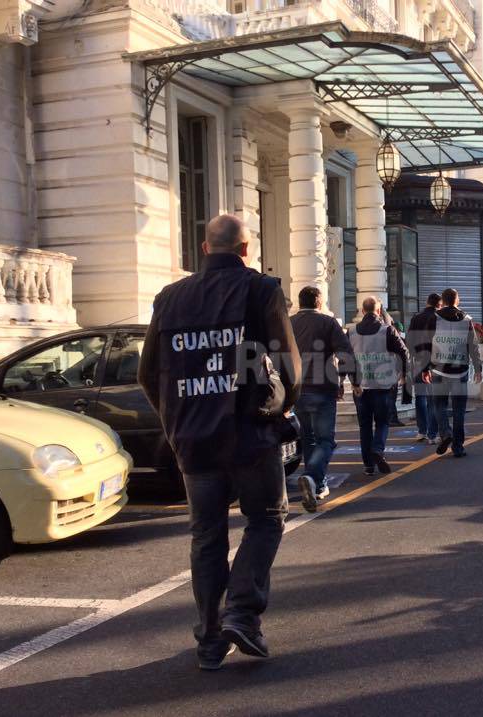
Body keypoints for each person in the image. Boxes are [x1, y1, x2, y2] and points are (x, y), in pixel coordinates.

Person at [137, 214, 300, 670]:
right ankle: (242, 614)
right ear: (245, 250)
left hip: (193, 437)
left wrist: (175, 421)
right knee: (266, 519)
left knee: (207, 536)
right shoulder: (260, 289)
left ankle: (210, 638)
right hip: (249, 433)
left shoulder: (169, 298)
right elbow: (290, 367)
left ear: (204, 249)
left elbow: (148, 374)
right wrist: (284, 407)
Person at [290, 285, 357, 513]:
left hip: (297, 389)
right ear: (319, 302)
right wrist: (346, 381)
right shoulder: (328, 323)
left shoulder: (288, 323)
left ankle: (317, 484)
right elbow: (346, 354)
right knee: (325, 440)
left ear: (300, 302)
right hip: (322, 388)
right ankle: (312, 477)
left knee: (308, 438)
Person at [348, 296, 409, 475]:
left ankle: (368, 465)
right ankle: (378, 450)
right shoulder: (387, 330)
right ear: (378, 310)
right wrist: (403, 374)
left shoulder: (351, 332)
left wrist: (352, 381)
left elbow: (346, 359)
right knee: (382, 422)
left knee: (364, 426)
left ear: (362, 310)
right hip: (384, 385)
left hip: (361, 387)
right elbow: (404, 353)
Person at [425, 287, 482, 457]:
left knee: (439, 405)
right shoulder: (466, 320)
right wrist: (478, 368)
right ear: (456, 300)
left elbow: (426, 345)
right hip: (460, 371)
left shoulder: (434, 319)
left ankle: (445, 433)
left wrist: (424, 368)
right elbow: (473, 346)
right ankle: (458, 447)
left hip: (439, 369)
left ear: (442, 301)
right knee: (459, 410)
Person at [406, 293, 441, 444]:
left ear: (427, 302)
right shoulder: (439, 318)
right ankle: (434, 431)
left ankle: (422, 430)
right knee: (434, 398)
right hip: (435, 362)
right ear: (439, 304)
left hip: (418, 360)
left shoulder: (416, 318)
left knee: (420, 396)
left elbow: (409, 340)